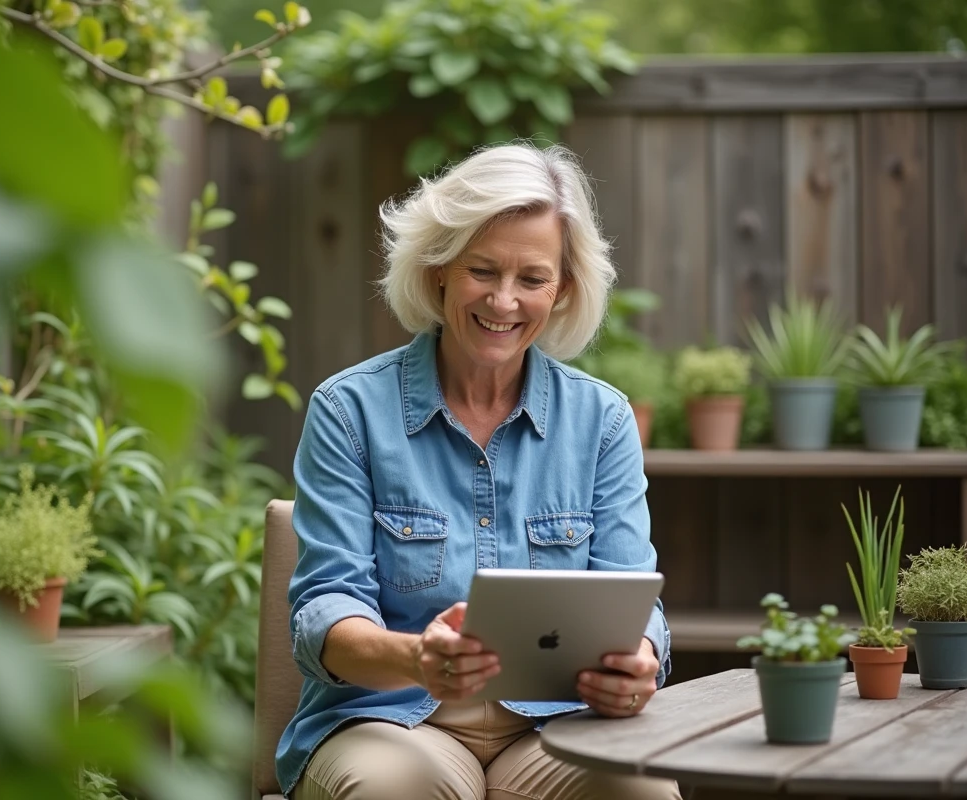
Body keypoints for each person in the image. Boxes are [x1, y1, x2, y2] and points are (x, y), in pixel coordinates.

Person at [276, 143, 681, 800]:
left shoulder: (603, 421)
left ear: (565, 288)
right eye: (483, 270)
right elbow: (325, 609)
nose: (504, 300)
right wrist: (418, 658)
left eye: (533, 279)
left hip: (559, 728)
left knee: (645, 792)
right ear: (439, 268)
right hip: (395, 719)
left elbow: (634, 597)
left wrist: (640, 658)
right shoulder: (348, 410)